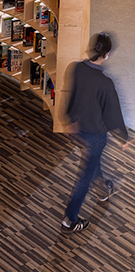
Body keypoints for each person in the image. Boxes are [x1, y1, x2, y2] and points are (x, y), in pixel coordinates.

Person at [61, 32, 128, 234]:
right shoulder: (105, 83)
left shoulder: (77, 68)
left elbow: (70, 94)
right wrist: (123, 137)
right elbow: (113, 114)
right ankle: (69, 221)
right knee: (84, 177)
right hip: (95, 135)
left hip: (77, 130)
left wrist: (69, 120)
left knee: (92, 161)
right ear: (106, 54)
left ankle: (103, 190)